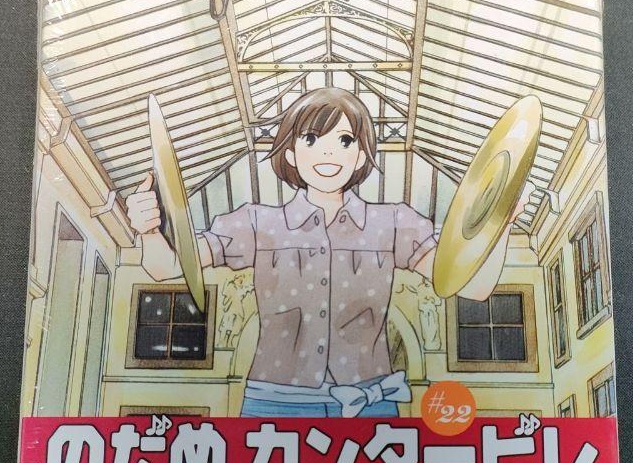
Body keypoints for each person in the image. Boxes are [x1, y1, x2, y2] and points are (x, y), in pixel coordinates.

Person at [127, 87, 518, 417]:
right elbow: (166, 267)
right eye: (311, 139)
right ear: (291, 153)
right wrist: (148, 229)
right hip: (274, 404)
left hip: (370, 405)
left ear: (361, 155)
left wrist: (502, 224)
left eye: (344, 141)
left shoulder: (394, 223)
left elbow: (473, 286)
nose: (328, 153)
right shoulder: (258, 223)